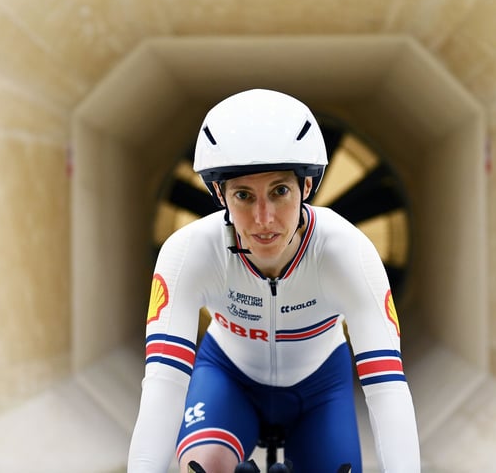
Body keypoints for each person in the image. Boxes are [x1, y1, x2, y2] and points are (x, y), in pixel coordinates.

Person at [127, 89, 420, 473]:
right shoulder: (189, 252)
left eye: (280, 191)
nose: (264, 219)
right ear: (219, 194)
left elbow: (387, 390)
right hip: (228, 378)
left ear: (307, 187)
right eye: (244, 195)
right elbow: (164, 384)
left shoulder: (347, 252)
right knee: (202, 467)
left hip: (319, 391)